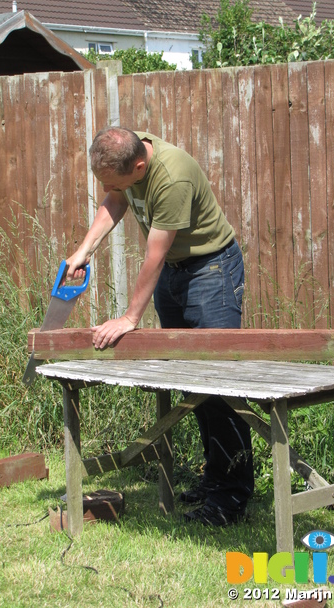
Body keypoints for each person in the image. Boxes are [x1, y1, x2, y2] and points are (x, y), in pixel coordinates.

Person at [66, 126, 254, 526]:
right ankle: (215, 477)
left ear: (139, 165)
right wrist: (85, 249)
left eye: (114, 181)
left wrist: (130, 317)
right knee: (193, 381)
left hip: (212, 271)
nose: (109, 188)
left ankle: (232, 496)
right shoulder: (128, 160)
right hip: (176, 272)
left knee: (219, 383)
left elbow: (154, 252)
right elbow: (115, 200)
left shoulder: (173, 176)